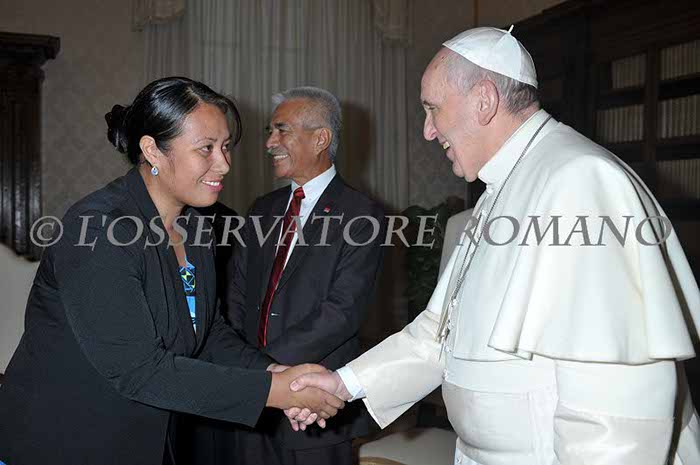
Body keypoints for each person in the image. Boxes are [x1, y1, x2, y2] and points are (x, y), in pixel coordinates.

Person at [288, 27, 700, 465]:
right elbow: (438, 335)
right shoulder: (503, 188)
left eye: (432, 109)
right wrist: (344, 383)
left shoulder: (579, 180)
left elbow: (616, 409)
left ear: (484, 100)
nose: (428, 130)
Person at [0, 77, 344, 465]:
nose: (224, 164)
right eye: (206, 148)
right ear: (153, 151)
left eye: (226, 147)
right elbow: (139, 372)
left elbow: (207, 331)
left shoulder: (195, 227)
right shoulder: (96, 230)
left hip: (140, 442)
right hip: (61, 442)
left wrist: (275, 372)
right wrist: (274, 391)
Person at [187, 86, 385, 465]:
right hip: (251, 405)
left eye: (281, 130)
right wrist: (250, 372)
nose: (269, 143)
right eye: (269, 131)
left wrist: (264, 370)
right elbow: (237, 295)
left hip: (314, 406)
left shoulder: (362, 214)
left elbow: (342, 312)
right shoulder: (262, 209)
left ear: (320, 138)